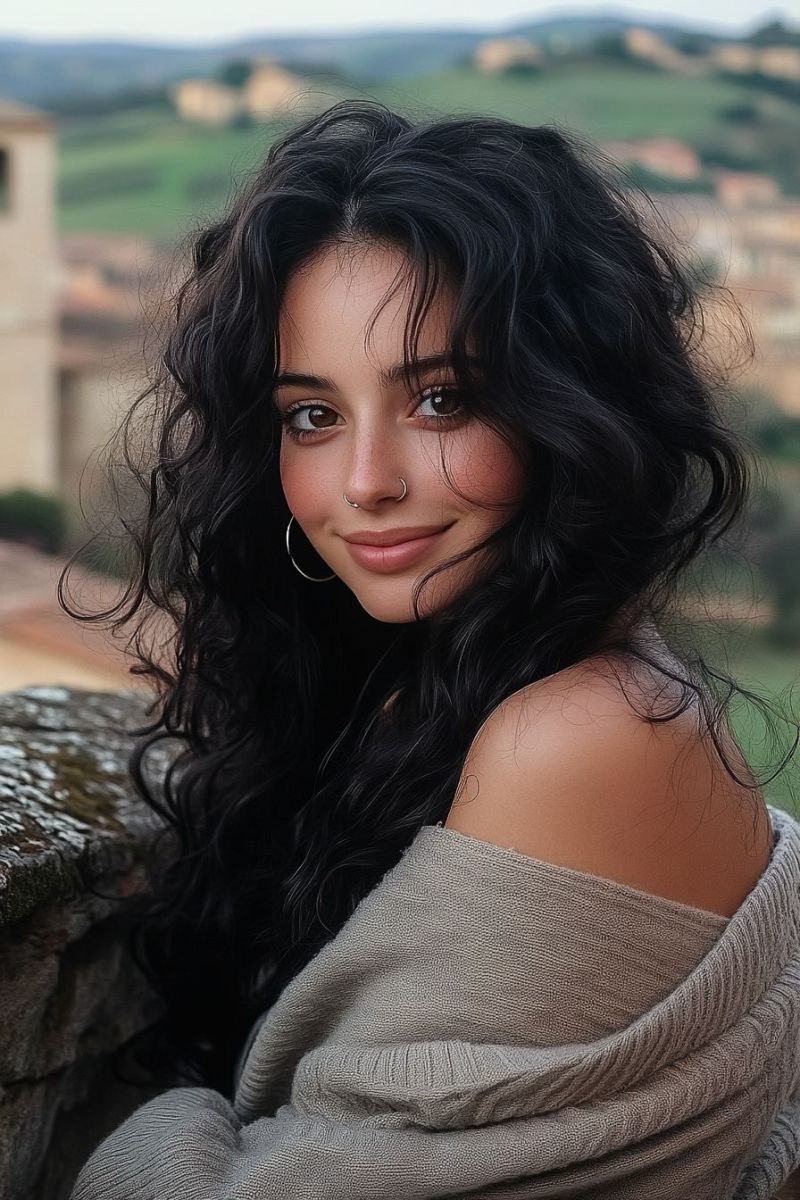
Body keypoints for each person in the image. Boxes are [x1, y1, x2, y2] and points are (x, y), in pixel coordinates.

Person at [62, 98, 800, 1198]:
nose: (364, 482)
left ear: (570, 409)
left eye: (441, 399)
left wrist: (142, 1126)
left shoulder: (582, 736)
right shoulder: (419, 685)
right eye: (311, 416)